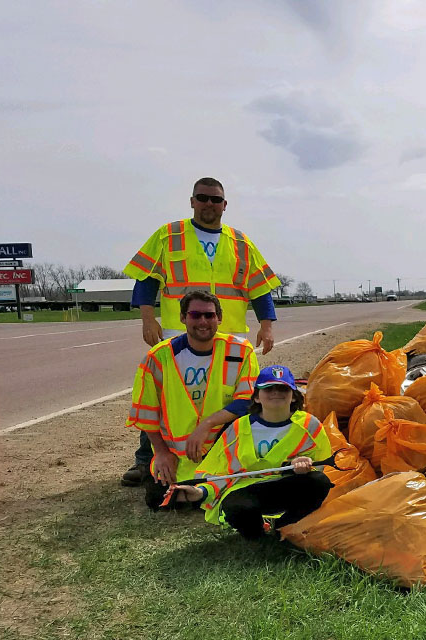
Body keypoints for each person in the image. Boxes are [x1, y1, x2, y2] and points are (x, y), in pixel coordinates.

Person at [121, 177, 281, 487]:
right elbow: (146, 280)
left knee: (229, 400)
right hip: (178, 333)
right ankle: (148, 460)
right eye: (203, 198)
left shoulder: (240, 242)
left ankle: (226, 458)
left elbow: (259, 286)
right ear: (192, 201)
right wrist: (147, 318)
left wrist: (267, 325)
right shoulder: (169, 235)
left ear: (224, 204)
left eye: (215, 199)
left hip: (230, 335)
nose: (209, 204)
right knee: (165, 396)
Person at [126, 291, 259, 509]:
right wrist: (160, 452)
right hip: (176, 454)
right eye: (195, 315)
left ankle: (212, 487)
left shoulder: (240, 350)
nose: (203, 322)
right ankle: (202, 490)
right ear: (182, 318)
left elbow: (247, 400)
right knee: (158, 500)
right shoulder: (159, 357)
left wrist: (207, 424)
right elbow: (147, 412)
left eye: (209, 315)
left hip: (223, 447)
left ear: (219, 317)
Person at [167, 365, 333, 539]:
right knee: (236, 506)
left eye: (283, 388)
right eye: (269, 388)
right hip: (249, 490)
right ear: (256, 398)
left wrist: (302, 467)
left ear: (293, 397)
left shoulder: (310, 425)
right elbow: (219, 470)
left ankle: (284, 526)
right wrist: (201, 492)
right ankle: (258, 535)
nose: (276, 392)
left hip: (287, 486)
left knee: (319, 482)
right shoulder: (239, 428)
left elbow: (322, 465)